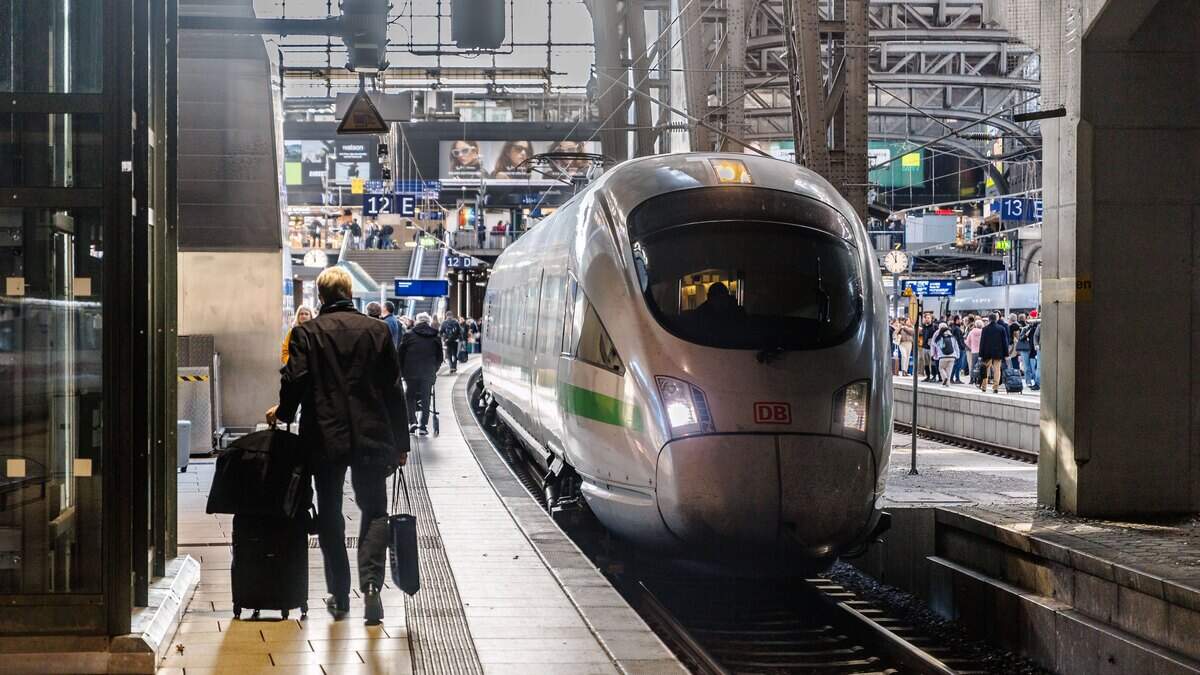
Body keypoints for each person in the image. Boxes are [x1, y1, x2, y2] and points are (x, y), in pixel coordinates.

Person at [266, 266, 408, 626]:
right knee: (374, 509)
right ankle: (372, 586)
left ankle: (340, 595)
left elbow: (295, 380)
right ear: (349, 292)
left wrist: (282, 412)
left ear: (321, 297)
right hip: (372, 435)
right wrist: (401, 442)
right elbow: (394, 390)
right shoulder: (377, 331)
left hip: (324, 437)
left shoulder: (306, 333)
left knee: (329, 511)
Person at [400, 313, 443, 436]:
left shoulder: (408, 335)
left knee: (410, 396)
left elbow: (401, 354)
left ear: (417, 321)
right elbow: (440, 357)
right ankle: (423, 426)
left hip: (410, 372)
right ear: (428, 322)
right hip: (428, 372)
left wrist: (402, 370)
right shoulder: (435, 336)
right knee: (426, 398)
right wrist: (434, 369)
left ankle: (412, 422)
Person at [979, 312, 1011, 394]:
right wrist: (1006, 354)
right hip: (998, 352)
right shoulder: (1001, 328)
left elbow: (982, 342)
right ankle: (995, 387)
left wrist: (980, 354)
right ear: (996, 319)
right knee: (997, 370)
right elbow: (1005, 342)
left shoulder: (985, 329)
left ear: (989, 319)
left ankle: (984, 386)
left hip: (987, 352)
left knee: (986, 369)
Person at [931, 322, 960, 386]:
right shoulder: (953, 337)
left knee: (941, 368)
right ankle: (948, 384)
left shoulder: (939, 338)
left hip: (943, 356)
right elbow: (956, 347)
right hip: (952, 356)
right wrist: (957, 355)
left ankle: (945, 378)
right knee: (949, 371)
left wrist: (934, 354)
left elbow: (936, 345)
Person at [918, 313, 937, 382]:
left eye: (928, 318)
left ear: (931, 319)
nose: (927, 319)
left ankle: (934, 376)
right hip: (924, 346)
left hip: (931, 348)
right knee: (926, 362)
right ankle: (928, 376)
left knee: (932, 362)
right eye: (926, 318)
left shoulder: (934, 327)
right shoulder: (923, 327)